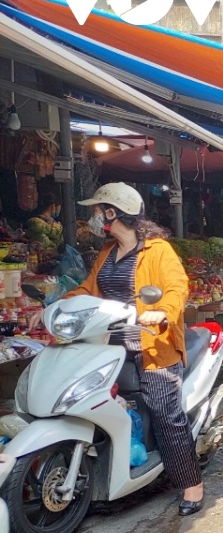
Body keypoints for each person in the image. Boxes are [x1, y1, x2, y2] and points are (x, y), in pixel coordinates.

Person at [67, 183, 205, 515]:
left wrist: (163, 312)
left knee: (164, 412)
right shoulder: (106, 253)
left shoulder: (157, 250)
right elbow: (88, 290)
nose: (94, 218)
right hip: (110, 346)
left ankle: (192, 487)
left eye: (98, 211)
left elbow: (176, 288)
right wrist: (57, 308)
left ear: (112, 213)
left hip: (153, 345)